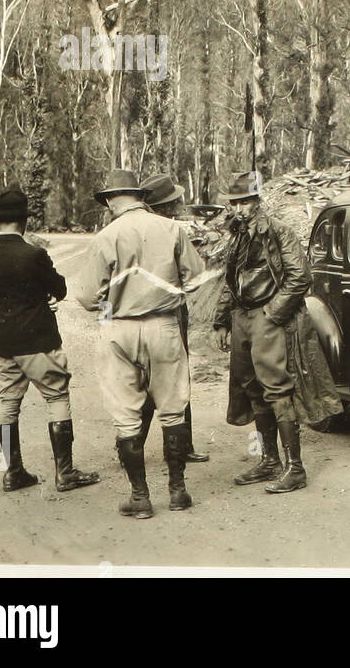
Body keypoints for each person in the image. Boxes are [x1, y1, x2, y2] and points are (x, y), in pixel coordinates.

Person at [75, 169, 205, 519]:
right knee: (173, 409)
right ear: (139, 195)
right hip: (164, 325)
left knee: (127, 416)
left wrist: (114, 303)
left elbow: (87, 297)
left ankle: (140, 496)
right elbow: (196, 278)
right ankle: (177, 491)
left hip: (119, 328)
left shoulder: (106, 235)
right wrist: (166, 295)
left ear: (109, 200)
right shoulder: (172, 229)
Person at [0, 188, 100, 493]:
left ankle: (13, 472)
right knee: (56, 397)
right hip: (38, 339)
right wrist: (44, 297)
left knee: (8, 402)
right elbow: (59, 289)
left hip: (3, 341)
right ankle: (65, 473)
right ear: (24, 220)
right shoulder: (34, 254)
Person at [214, 171, 311, 494]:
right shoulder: (237, 236)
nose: (240, 209)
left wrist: (273, 313)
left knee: (276, 387)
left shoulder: (279, 233)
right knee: (252, 387)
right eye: (235, 203)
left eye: (245, 202)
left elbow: (299, 276)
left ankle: (295, 468)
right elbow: (231, 280)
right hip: (242, 317)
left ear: (258, 201)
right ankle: (270, 460)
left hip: (267, 317)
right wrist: (222, 321)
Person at [137, 173, 209, 463]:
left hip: (136, 316)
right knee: (177, 378)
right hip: (169, 312)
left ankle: (132, 445)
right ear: (164, 205)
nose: (178, 205)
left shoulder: (128, 230)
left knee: (144, 380)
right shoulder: (172, 231)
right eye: (173, 201)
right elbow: (195, 275)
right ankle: (179, 448)